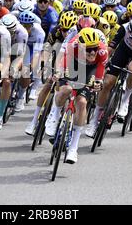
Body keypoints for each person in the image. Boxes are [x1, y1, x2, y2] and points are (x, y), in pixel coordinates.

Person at [44, 28, 107, 164]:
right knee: (65, 89)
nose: (92, 52)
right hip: (73, 64)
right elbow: (63, 64)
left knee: (82, 102)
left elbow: (100, 73)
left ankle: (73, 148)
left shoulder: (101, 51)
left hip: (90, 70)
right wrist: (59, 73)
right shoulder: (73, 45)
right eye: (89, 49)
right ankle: (54, 115)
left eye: (94, 49)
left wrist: (98, 83)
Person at [85, 18, 132, 137]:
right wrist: (103, 63)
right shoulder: (124, 28)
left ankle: (125, 101)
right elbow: (110, 49)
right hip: (124, 50)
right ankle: (94, 121)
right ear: (129, 33)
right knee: (107, 83)